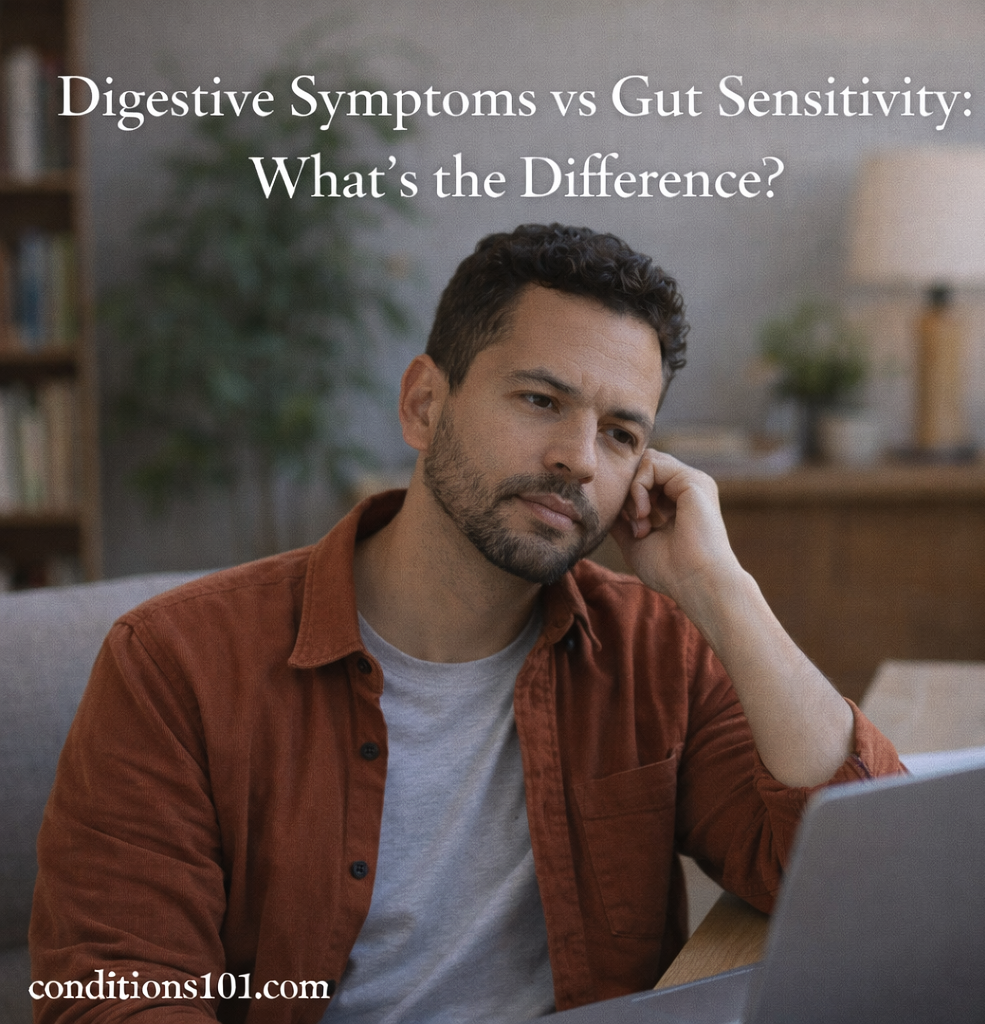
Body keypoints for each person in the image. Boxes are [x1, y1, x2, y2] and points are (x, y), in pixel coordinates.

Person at [30, 223, 902, 1024]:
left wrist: (723, 591)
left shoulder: (652, 648)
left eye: (622, 434)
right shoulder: (174, 664)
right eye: (538, 400)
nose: (577, 458)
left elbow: (862, 883)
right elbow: (116, 991)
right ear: (423, 404)